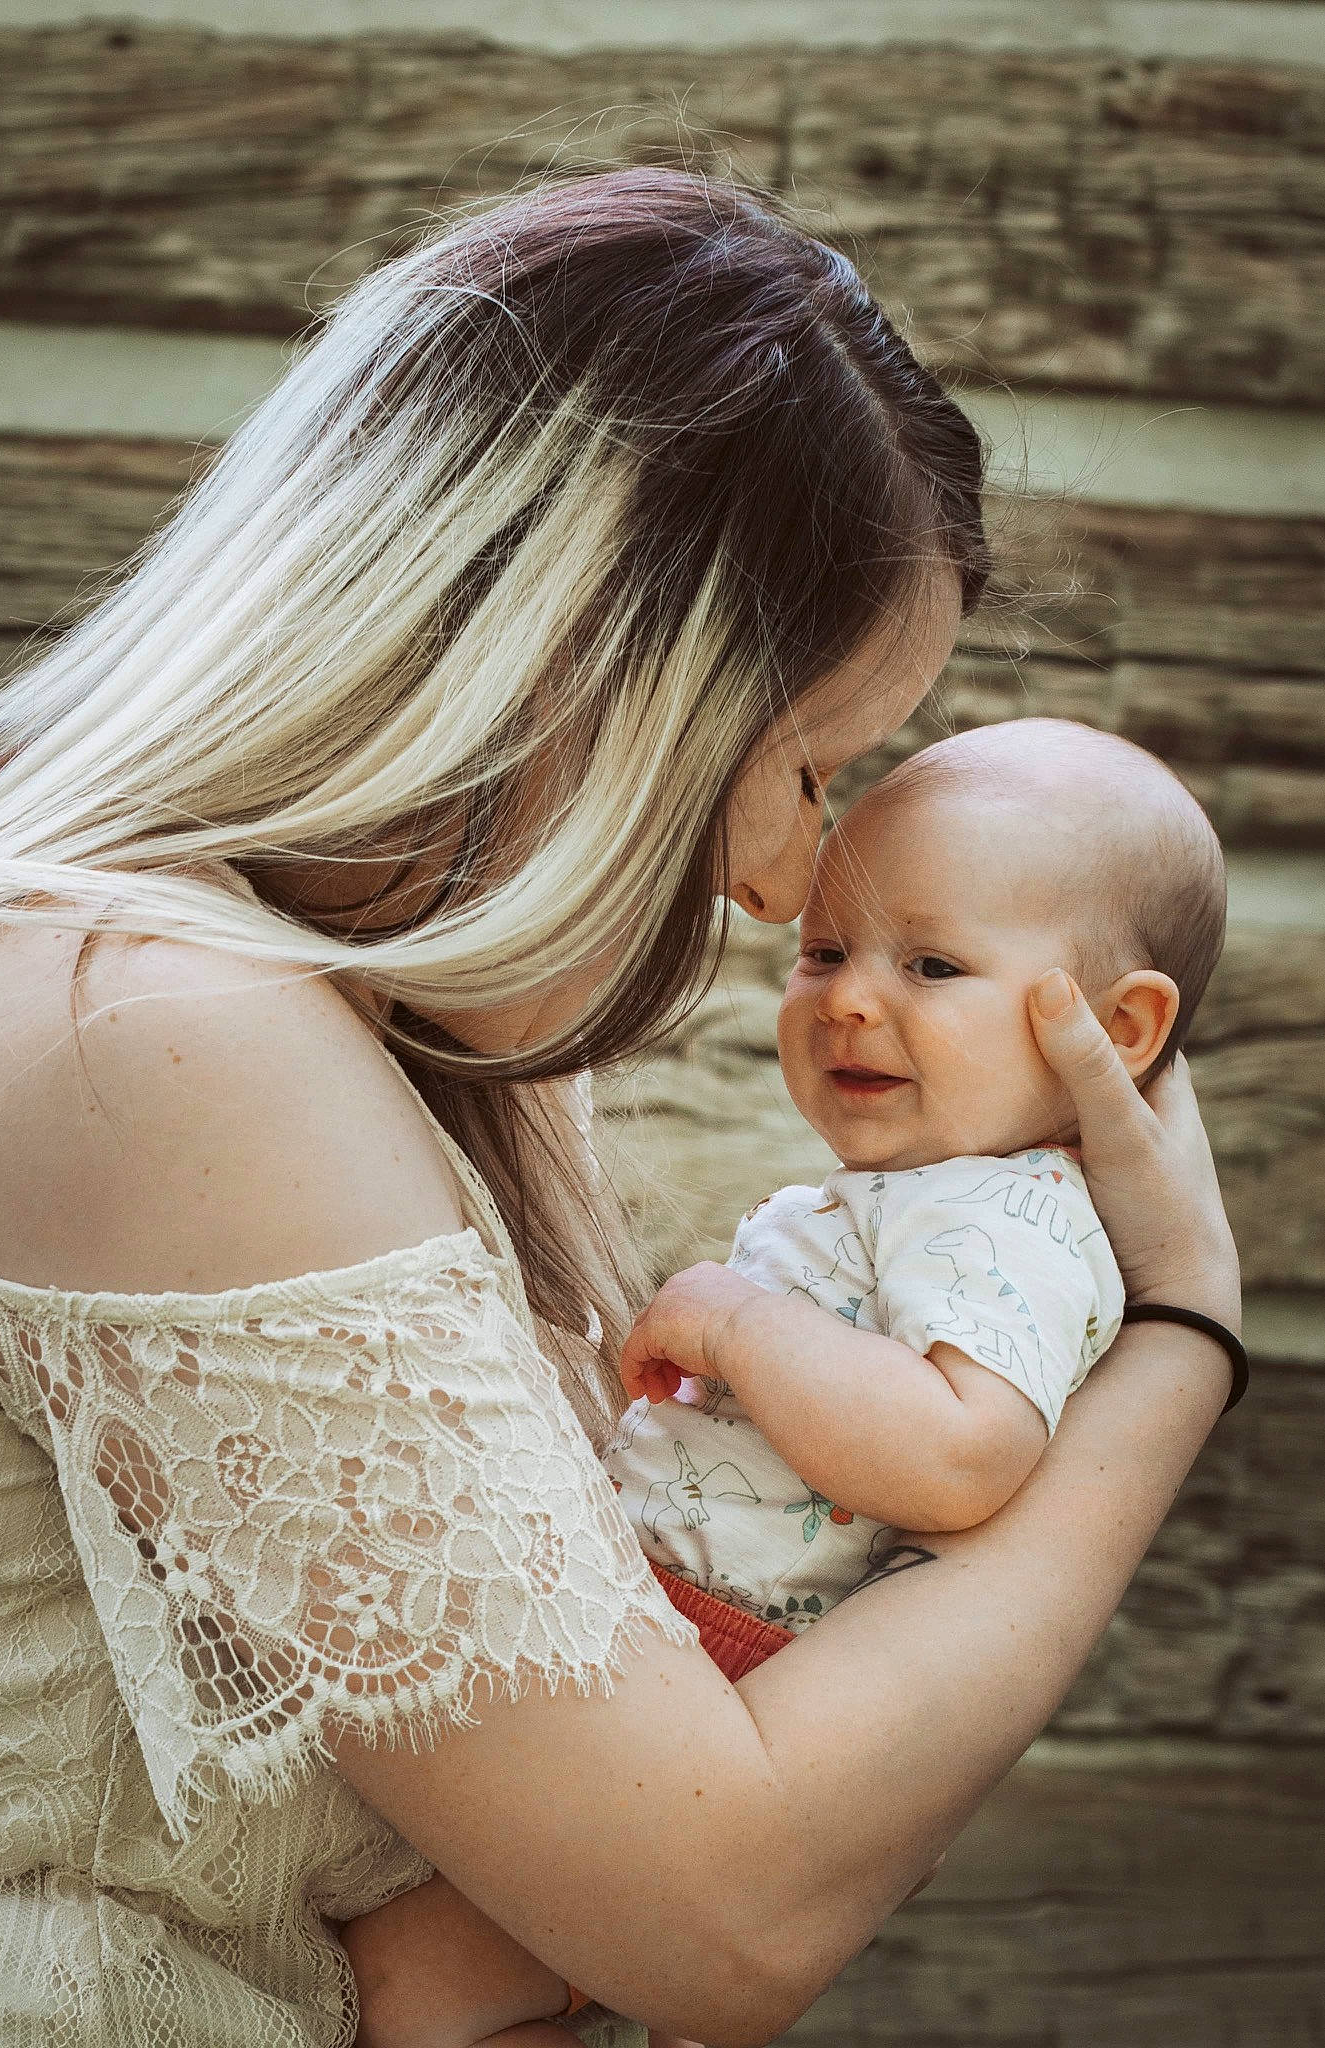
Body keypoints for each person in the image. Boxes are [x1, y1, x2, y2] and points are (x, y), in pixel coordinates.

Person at [0, 169, 1238, 2048]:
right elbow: (722, 1916)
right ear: (588, 684)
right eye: (798, 764)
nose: (778, 880)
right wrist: (1178, 1333)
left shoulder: (351, 1015)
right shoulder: (152, 1030)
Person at [331, 718, 1233, 2048]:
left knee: (409, 1983)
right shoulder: (926, 1199)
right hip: (681, 1639)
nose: (851, 999)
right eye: (825, 952)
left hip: (717, 1659)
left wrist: (737, 1324)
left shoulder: (1009, 1218)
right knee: (446, 1977)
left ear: (1117, 1027)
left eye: (930, 963)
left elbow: (961, 1449)